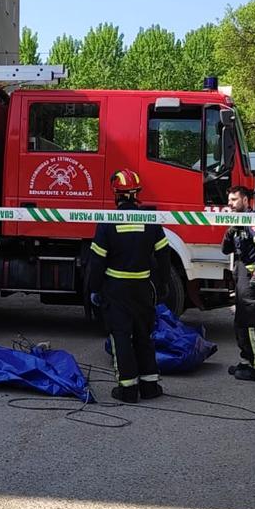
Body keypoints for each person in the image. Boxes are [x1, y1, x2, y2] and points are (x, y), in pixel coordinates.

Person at [87, 169, 172, 403]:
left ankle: (128, 389)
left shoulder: (108, 222)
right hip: (143, 288)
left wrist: (94, 289)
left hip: (116, 289)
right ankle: (150, 386)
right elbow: (163, 255)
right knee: (144, 335)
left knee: (121, 336)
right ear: (136, 194)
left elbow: (97, 260)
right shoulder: (150, 220)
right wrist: (162, 283)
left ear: (117, 194)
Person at [222, 186, 255, 382]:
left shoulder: (252, 221)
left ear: (246, 201)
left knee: (251, 325)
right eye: (229, 200)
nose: (230, 203)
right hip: (241, 279)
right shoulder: (238, 223)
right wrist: (230, 231)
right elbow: (225, 249)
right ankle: (246, 361)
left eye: (234, 200)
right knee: (240, 323)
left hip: (253, 281)